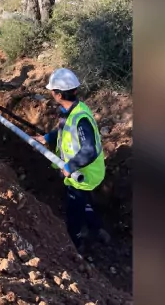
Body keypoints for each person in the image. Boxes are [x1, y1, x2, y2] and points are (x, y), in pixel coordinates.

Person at [36, 68, 107, 253]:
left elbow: (89, 149)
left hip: (84, 174)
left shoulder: (80, 117)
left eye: (52, 91)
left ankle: (76, 246)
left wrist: (70, 166)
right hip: (82, 171)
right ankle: (97, 229)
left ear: (58, 94)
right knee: (85, 201)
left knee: (74, 211)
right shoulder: (71, 109)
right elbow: (64, 131)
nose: (51, 94)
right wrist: (47, 138)